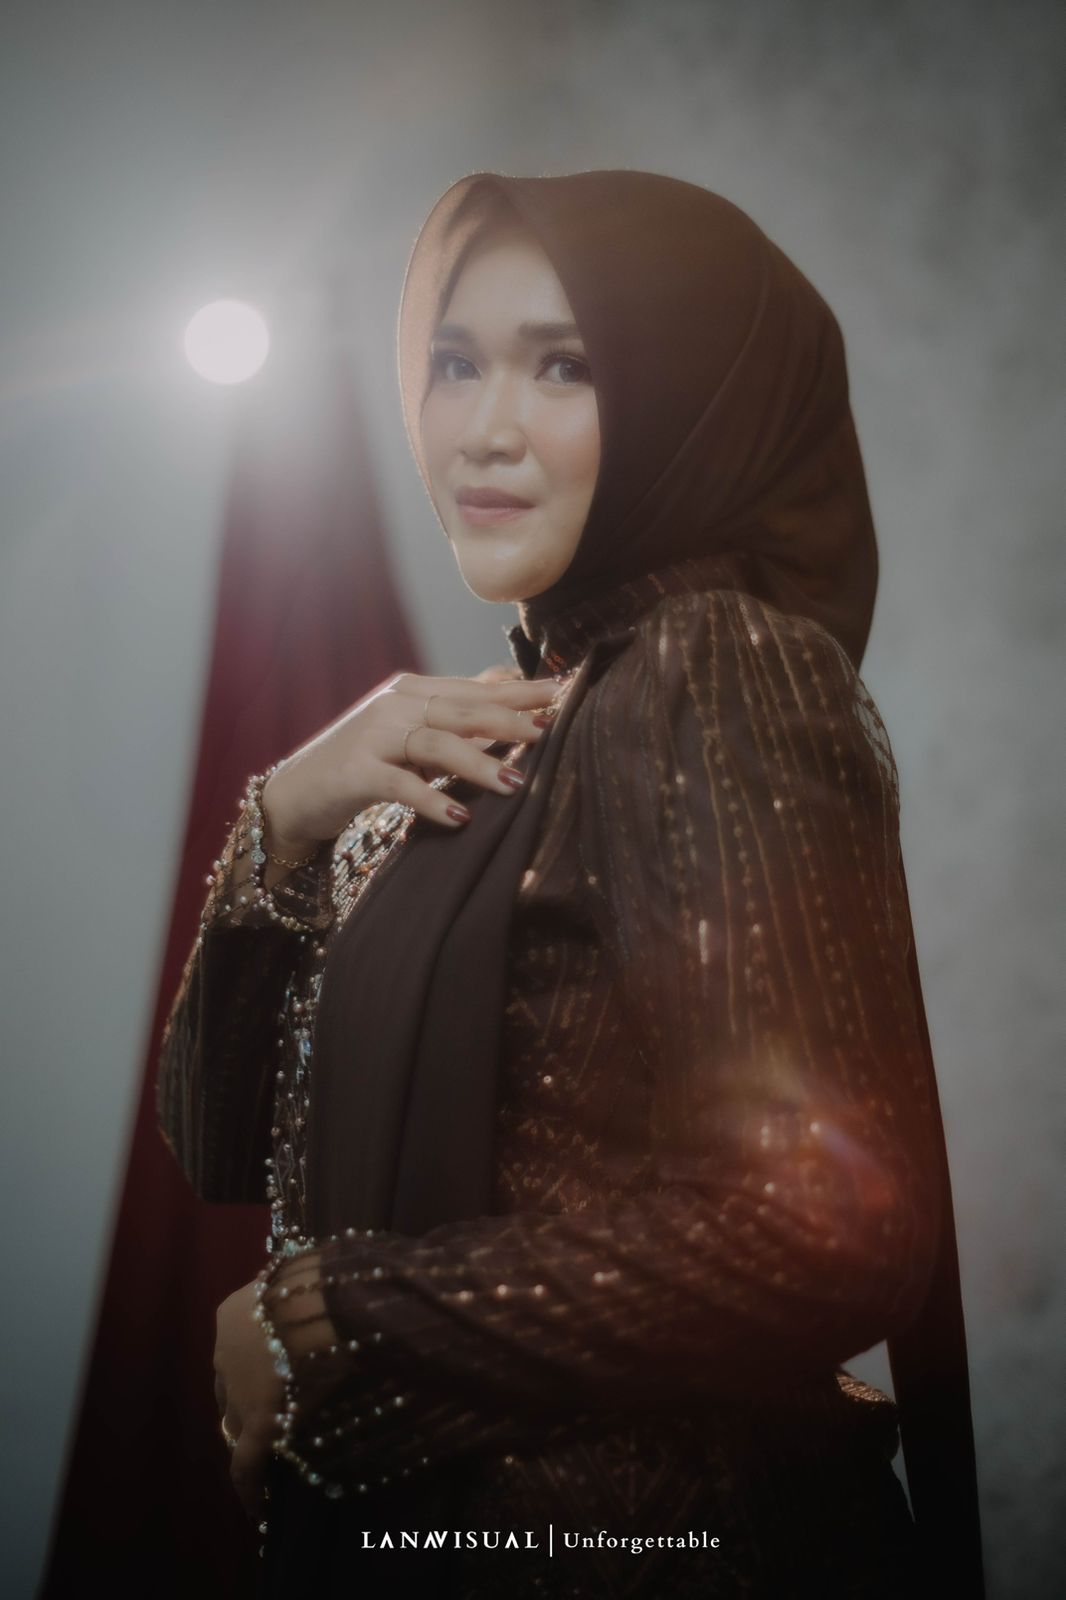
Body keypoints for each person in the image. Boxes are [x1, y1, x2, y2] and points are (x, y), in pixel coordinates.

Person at [157, 171, 984, 1598]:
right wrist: (285, 816)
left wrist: (337, 1319)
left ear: (688, 401)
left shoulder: (711, 670)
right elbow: (221, 1144)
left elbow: (828, 1233)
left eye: (564, 366)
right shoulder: (515, 730)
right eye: (453, 362)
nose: (483, 429)